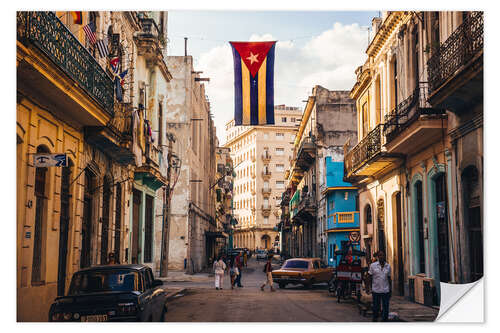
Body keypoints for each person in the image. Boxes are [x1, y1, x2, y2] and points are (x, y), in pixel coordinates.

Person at [367, 251, 391, 322]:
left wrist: (390, 290)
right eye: (380, 255)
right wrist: (369, 287)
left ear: (384, 256)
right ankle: (375, 319)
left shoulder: (388, 266)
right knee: (376, 307)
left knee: (386, 307)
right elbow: (369, 277)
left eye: (382, 255)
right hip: (376, 290)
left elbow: (389, 278)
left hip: (385, 290)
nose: (381, 257)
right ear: (377, 257)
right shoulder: (373, 266)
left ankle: (384, 320)